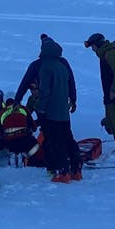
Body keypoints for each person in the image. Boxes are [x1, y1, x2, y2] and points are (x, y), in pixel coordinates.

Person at [35, 37, 81, 182]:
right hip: (63, 112)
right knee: (69, 140)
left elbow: (44, 92)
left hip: (51, 113)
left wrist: (40, 109)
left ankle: (63, 172)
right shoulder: (62, 65)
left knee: (56, 143)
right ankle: (76, 170)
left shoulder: (46, 67)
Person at [14, 33, 77, 114]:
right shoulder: (63, 63)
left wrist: (17, 101)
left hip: (44, 104)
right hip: (61, 106)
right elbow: (71, 82)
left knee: (46, 123)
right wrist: (73, 99)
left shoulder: (37, 64)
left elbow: (25, 83)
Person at [0, 92, 38, 167]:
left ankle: (13, 154)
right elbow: (34, 127)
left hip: (9, 143)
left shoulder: (2, 112)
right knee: (36, 145)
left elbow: (0, 131)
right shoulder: (23, 108)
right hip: (24, 140)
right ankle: (25, 155)